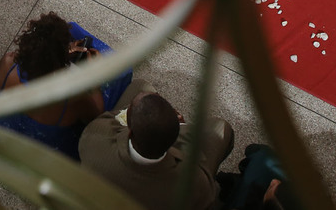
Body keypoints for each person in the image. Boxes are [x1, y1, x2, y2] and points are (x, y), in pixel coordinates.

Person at [0, 12, 133, 160]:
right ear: (60, 64)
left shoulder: (8, 62)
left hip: (10, 130)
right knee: (123, 70)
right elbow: (96, 115)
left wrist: (60, 53)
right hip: (49, 150)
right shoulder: (70, 97)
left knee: (72, 29)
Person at [79, 84, 234, 209]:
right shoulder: (193, 184)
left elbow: (106, 120)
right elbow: (205, 196)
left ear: (130, 130)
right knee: (222, 128)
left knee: (141, 85)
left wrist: (135, 116)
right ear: (177, 137)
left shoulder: (93, 139)